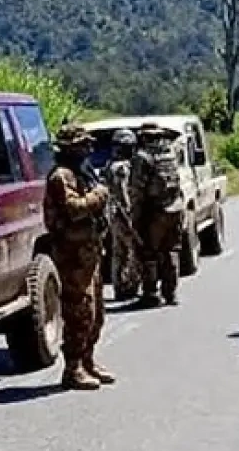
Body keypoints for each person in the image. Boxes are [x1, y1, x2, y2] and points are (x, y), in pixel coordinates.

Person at [43, 124, 117, 390]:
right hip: (72, 255)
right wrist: (99, 196)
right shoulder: (61, 176)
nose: (88, 149)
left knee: (96, 312)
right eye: (82, 145)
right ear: (70, 148)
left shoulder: (83, 172)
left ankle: (88, 360)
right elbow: (74, 209)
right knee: (79, 311)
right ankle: (73, 368)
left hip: (89, 251)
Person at [129, 122, 185, 307]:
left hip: (154, 212)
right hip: (175, 208)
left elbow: (137, 190)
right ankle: (171, 293)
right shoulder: (170, 154)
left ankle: (151, 293)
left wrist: (134, 217)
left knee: (148, 253)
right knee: (171, 251)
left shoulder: (142, 157)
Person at [105, 128, 140, 301]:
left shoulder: (111, 164)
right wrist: (130, 215)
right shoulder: (121, 168)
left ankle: (121, 285)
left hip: (114, 213)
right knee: (128, 250)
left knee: (119, 251)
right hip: (121, 214)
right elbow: (123, 193)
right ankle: (126, 285)